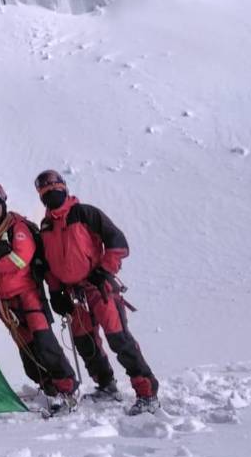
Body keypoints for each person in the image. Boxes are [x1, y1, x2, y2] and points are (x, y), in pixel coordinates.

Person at [35, 169, 159, 415]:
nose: (52, 195)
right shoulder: (46, 225)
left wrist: (103, 271)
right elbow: (50, 264)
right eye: (46, 192)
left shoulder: (85, 213)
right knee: (85, 342)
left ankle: (147, 393)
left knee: (118, 338)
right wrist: (56, 292)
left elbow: (118, 242)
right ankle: (106, 385)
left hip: (99, 288)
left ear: (65, 189)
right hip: (73, 293)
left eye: (56, 189)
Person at [0, 182, 78, 413]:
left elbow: (20, 259)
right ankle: (49, 388)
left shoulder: (17, 227)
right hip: (6, 304)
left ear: (3, 204)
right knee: (28, 354)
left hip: (28, 296)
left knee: (45, 343)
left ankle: (66, 388)